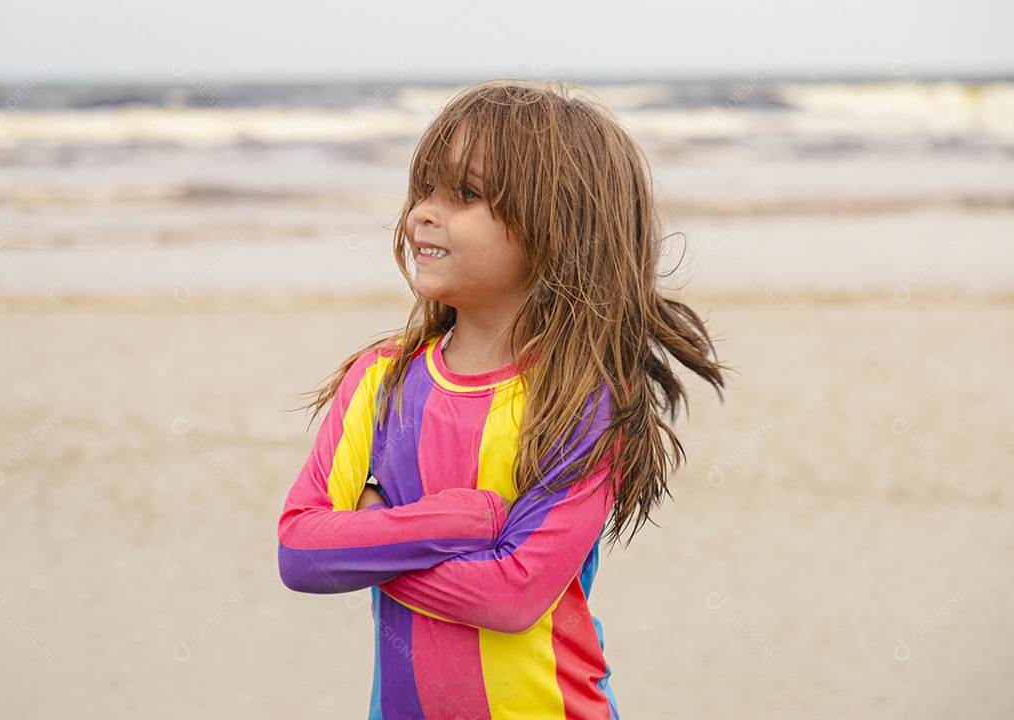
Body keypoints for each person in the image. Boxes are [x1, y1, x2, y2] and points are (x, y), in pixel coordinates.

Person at [277, 79, 725, 719]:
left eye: (465, 194)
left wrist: (373, 542)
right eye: (425, 189)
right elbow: (301, 552)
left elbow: (513, 596)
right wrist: (467, 523)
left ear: (556, 227)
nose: (423, 213)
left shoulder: (583, 400)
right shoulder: (380, 380)